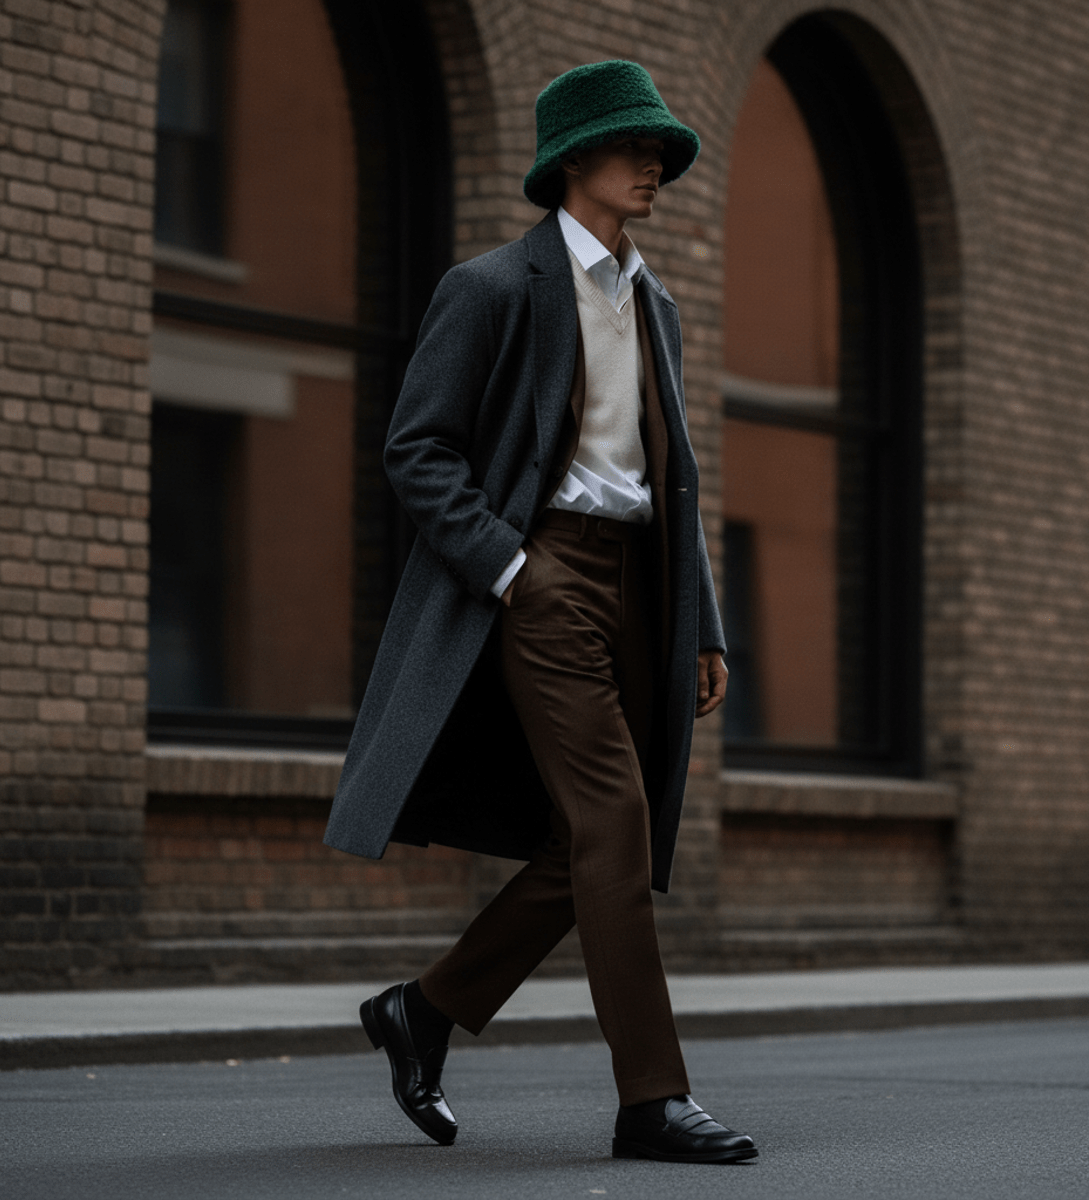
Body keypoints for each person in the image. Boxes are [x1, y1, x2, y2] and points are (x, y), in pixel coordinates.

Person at [323, 59, 755, 1164]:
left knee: (591, 840)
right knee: (617, 821)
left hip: (641, 584)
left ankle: (421, 1013)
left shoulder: (652, 299)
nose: (654, 162)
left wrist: (701, 620)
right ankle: (651, 1098)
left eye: (661, 148)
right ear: (573, 162)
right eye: (634, 145)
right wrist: (512, 569)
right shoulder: (494, 289)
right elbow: (416, 452)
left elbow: (673, 475)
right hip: (543, 574)